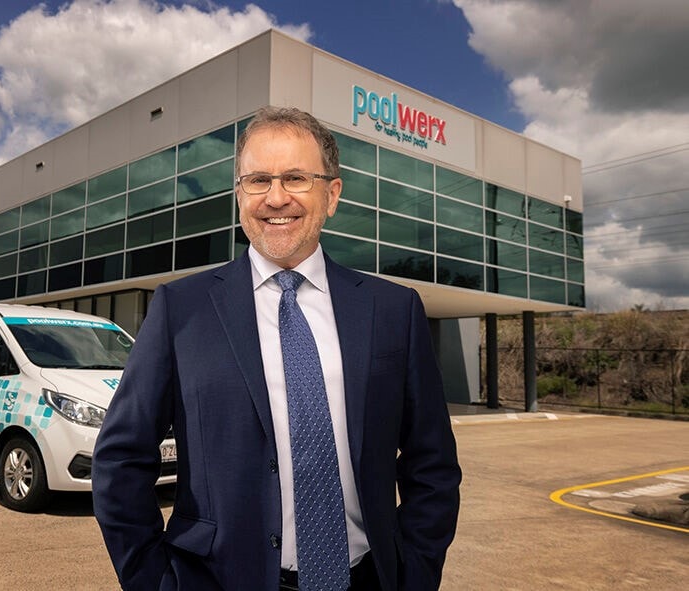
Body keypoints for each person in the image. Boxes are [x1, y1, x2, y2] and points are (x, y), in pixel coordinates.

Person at [93, 106, 461, 591]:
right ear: (239, 196)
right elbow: (122, 458)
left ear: (332, 195)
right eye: (258, 180)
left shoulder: (394, 311)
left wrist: (414, 572)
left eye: (295, 178)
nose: (276, 198)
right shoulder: (180, 309)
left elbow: (431, 465)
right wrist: (156, 582)